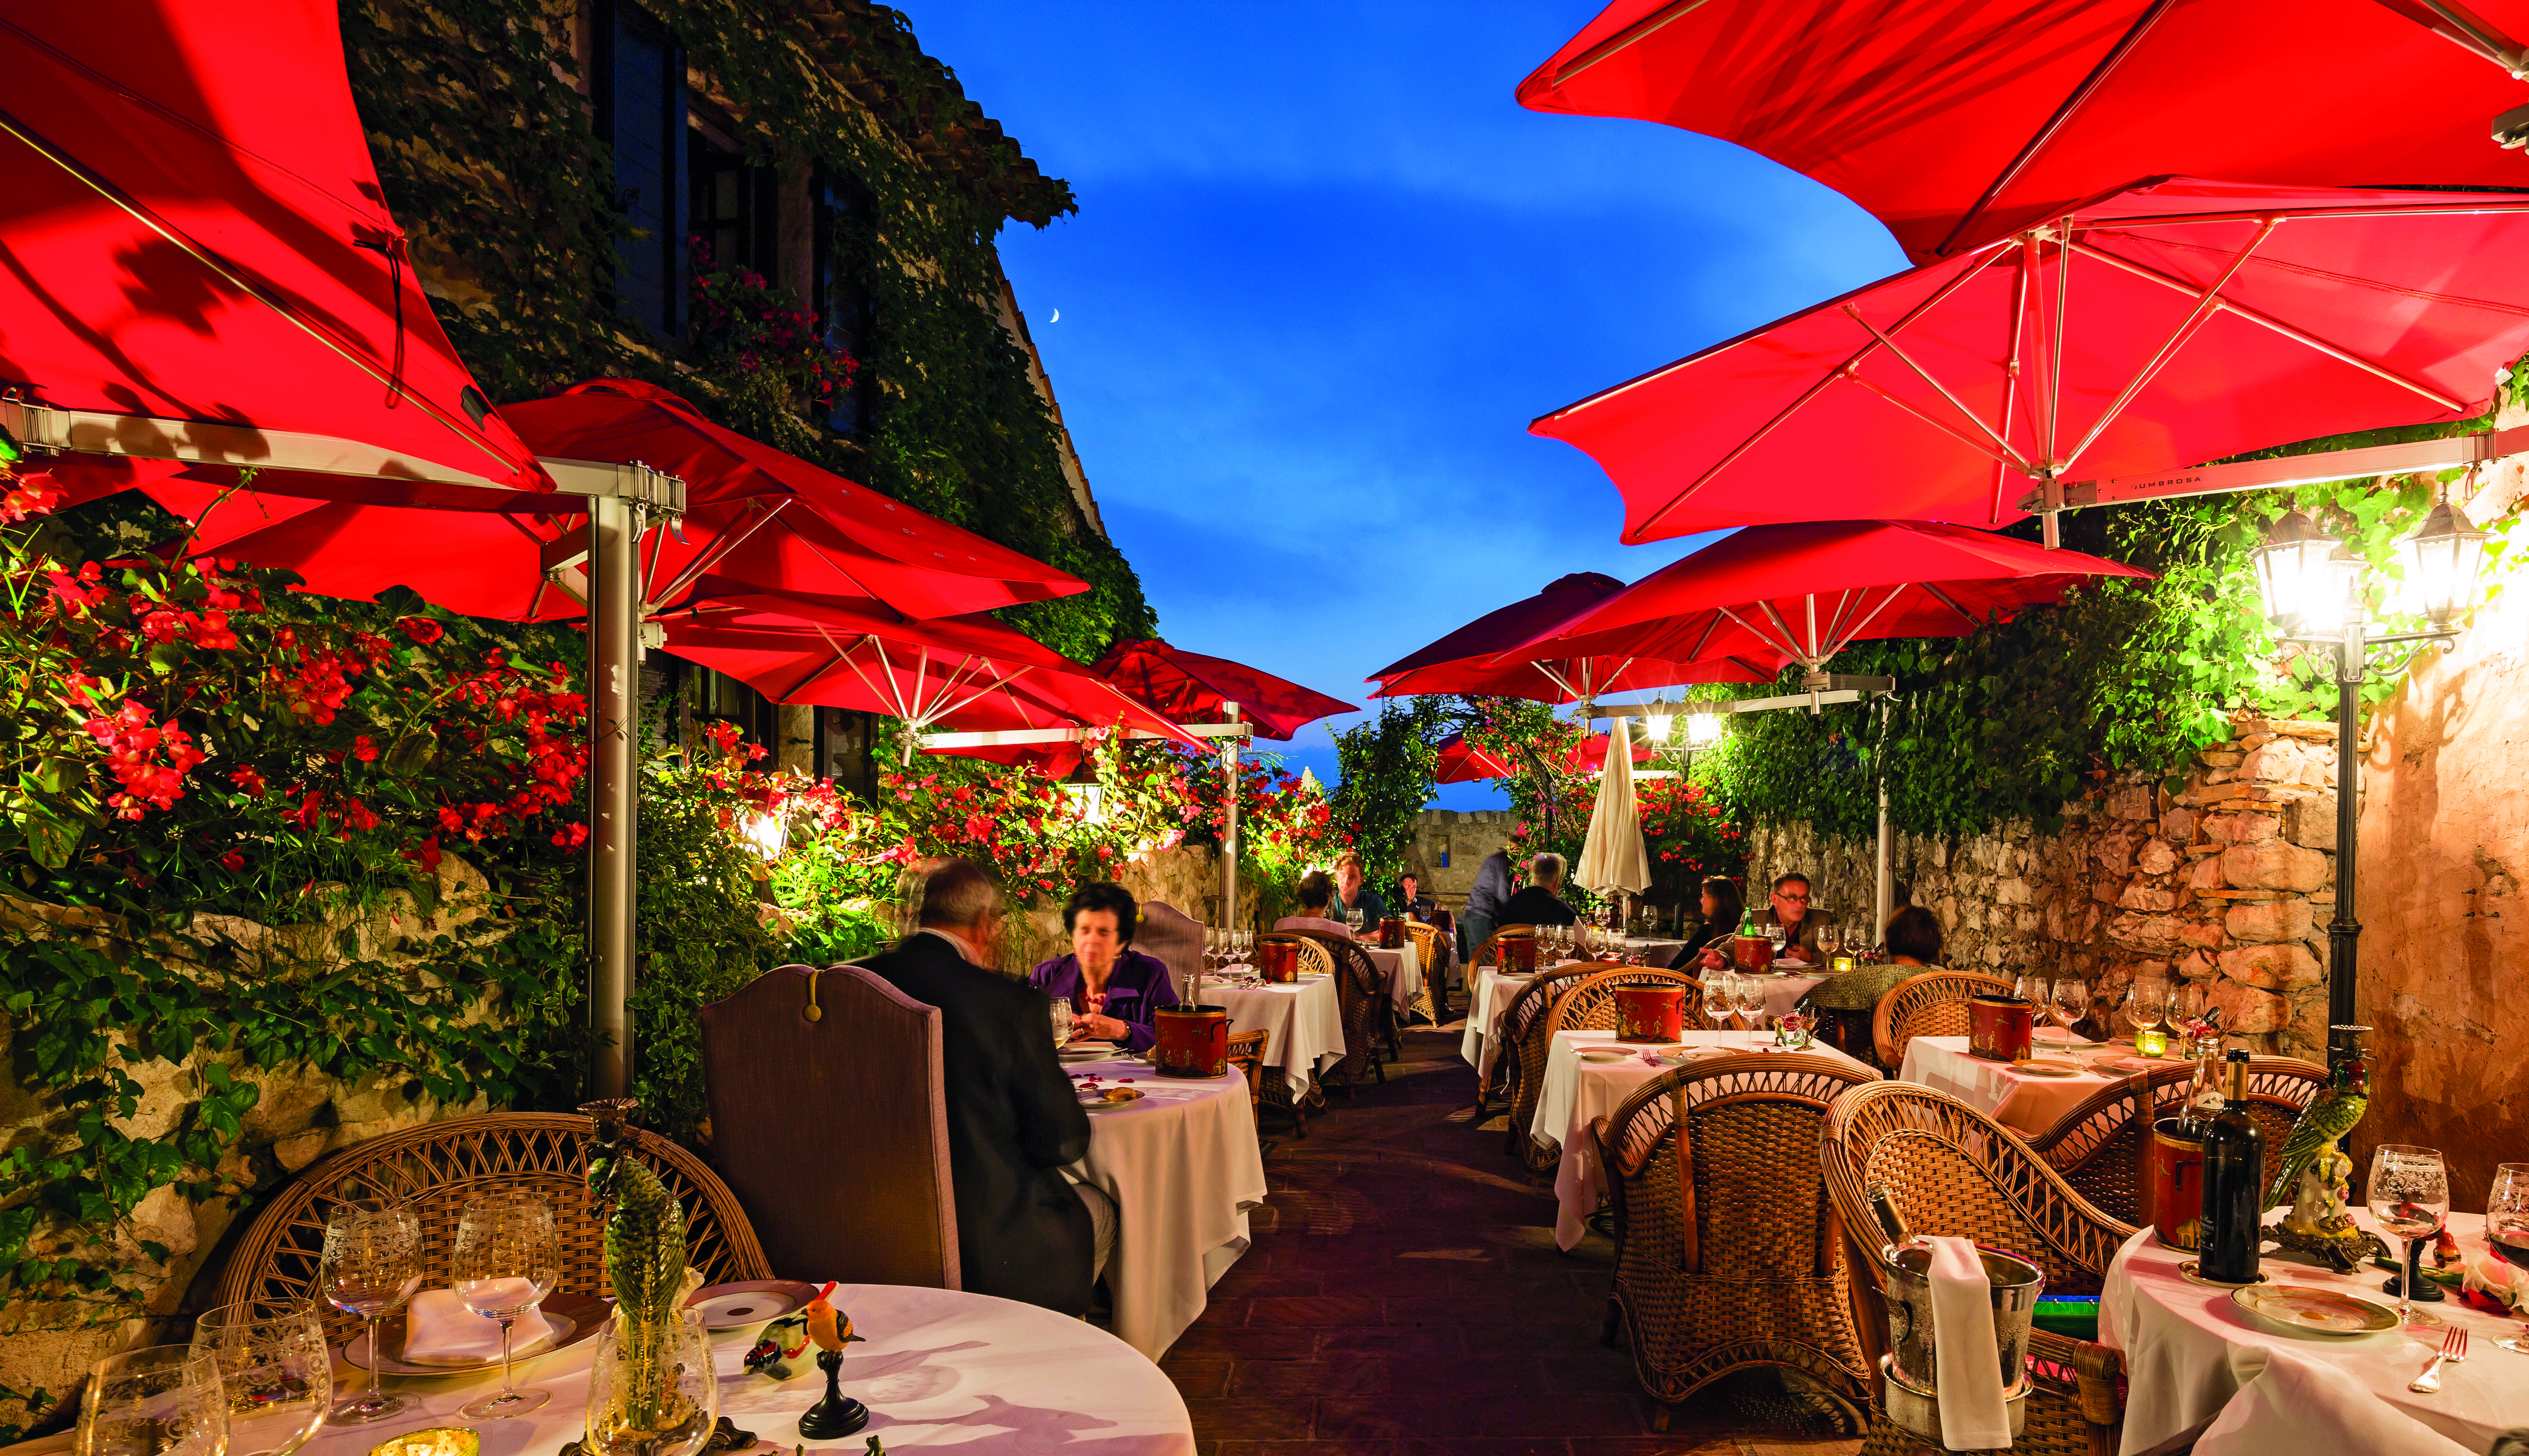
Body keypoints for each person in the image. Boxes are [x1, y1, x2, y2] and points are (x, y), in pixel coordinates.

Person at [859, 859, 1111, 1313]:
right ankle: (1053, 1349)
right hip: (983, 1244)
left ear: (917, 916)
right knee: (1101, 1210)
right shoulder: (1008, 1004)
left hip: (865, 1228)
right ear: (984, 924)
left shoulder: (847, 983)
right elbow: (1059, 1142)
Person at [1029, 882, 1179, 1056]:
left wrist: (1121, 1030)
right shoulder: (1046, 975)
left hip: (1133, 1080)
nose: (1091, 941)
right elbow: (1020, 1038)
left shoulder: (1150, 974)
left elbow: (1177, 1039)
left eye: (1104, 932)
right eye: (1084, 930)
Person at [1801, 904, 1942, 1068]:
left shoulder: (1862, 980)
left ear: (1891, 940)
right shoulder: (1951, 984)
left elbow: (1805, 1010)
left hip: (1869, 1073)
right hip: (1938, 1072)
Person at [1760, 872, 1832, 965]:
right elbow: (1735, 955)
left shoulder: (1821, 920)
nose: (1800, 904)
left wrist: (1811, 957)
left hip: (1809, 979)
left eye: (1804, 898)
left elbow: (1850, 954)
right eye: (1792, 898)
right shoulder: (1755, 921)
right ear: (1774, 899)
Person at [1497, 852, 1579, 929]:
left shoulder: (1509, 906)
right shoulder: (1565, 913)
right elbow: (1583, 941)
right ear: (1557, 882)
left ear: (1532, 877)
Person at [1461, 846, 1511, 961]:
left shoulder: (1495, 859)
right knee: (1487, 959)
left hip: (1471, 913)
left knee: (1475, 960)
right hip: (1482, 915)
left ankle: (1473, 980)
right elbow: (1503, 894)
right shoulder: (1503, 862)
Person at [1686, 877, 1746, 971]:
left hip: (1691, 983)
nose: (1701, 900)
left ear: (1716, 900)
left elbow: (1675, 967)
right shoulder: (1742, 929)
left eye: (1704, 896)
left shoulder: (1706, 932)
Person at [1273, 870, 1354, 938]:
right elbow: (1349, 957)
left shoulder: (1282, 926)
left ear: (1302, 898)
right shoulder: (1341, 931)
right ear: (1330, 898)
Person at [1330, 852, 1386, 928]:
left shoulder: (1372, 902)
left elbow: (1389, 928)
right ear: (1336, 876)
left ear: (1361, 880)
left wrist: (1357, 937)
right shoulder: (1327, 902)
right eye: (1343, 875)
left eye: (1352, 876)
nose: (1346, 881)